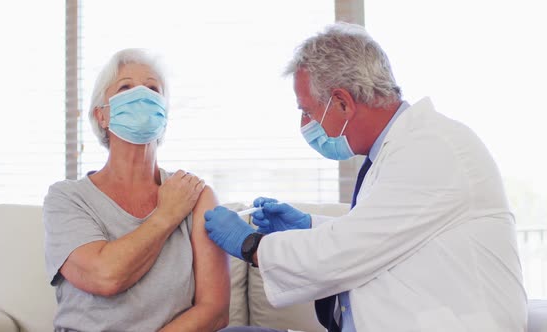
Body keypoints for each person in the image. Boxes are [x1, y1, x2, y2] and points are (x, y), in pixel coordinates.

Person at [205, 22, 527, 332]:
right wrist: (308, 225)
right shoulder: (399, 152)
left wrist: (250, 244)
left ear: (343, 102)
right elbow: (380, 229)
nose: (305, 124)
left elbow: (346, 249)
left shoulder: (432, 149)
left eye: (307, 110)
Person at [43, 48, 230, 332]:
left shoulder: (196, 195)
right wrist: (166, 214)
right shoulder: (67, 198)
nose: (141, 95)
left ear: (164, 114)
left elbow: (214, 310)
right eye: (126, 87)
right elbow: (105, 277)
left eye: (153, 88)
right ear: (102, 116)